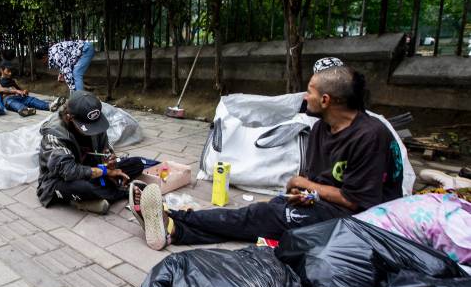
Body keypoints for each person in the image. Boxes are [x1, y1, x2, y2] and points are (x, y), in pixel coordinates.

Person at [132, 66, 404, 250]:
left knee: (262, 214)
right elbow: (322, 182)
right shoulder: (322, 127)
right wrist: (305, 193)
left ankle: (174, 217)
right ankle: (173, 230)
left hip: (359, 223)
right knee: (263, 214)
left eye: (309, 91)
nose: (304, 96)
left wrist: (304, 184)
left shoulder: (370, 136)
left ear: (325, 100)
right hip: (328, 207)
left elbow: (357, 201)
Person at [38, 90, 145, 214]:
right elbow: (68, 171)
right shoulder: (54, 133)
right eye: (88, 127)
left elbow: (105, 148)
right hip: (60, 180)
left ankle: (99, 195)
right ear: (69, 117)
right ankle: (122, 193)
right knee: (84, 188)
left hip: (91, 170)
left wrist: (109, 162)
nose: (95, 131)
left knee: (136, 163)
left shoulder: (95, 121)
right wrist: (106, 172)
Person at [0, 60, 64, 116]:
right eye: (8, 71)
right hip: (8, 99)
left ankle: (50, 106)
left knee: (31, 99)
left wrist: (24, 91)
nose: (10, 73)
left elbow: (20, 90)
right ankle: (24, 110)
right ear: (1, 70)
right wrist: (16, 91)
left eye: (11, 71)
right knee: (11, 102)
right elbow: (0, 89)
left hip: (20, 97)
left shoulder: (13, 80)